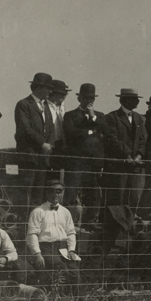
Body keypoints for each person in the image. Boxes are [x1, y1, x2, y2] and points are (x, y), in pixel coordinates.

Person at [101, 88, 148, 256]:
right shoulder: (112, 117)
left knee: (134, 198)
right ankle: (115, 239)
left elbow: (143, 139)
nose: (137, 102)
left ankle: (127, 234)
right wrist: (127, 154)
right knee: (118, 201)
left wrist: (139, 155)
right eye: (133, 99)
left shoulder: (139, 119)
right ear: (124, 101)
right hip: (119, 167)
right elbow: (112, 139)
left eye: (137, 99)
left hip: (135, 167)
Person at [25, 180, 81, 295]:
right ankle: (58, 299)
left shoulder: (66, 212)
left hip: (63, 249)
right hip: (46, 248)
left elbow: (70, 232)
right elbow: (32, 234)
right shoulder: (38, 212)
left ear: (63, 193)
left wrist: (71, 250)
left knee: (74, 271)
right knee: (61, 269)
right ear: (46, 193)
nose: (55, 195)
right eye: (52, 191)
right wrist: (37, 254)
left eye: (59, 191)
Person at [62, 83, 105, 224]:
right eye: (86, 98)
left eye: (91, 98)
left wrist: (92, 117)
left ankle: (91, 222)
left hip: (93, 163)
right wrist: (92, 131)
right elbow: (72, 133)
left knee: (93, 194)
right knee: (72, 193)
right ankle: (70, 223)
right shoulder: (70, 116)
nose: (89, 101)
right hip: (76, 162)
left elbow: (104, 132)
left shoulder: (99, 116)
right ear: (79, 98)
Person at [14, 72, 56, 212]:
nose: (50, 91)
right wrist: (42, 144)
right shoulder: (24, 104)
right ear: (38, 88)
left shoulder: (46, 107)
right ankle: (23, 224)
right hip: (29, 157)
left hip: (42, 159)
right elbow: (25, 128)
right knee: (26, 193)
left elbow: (51, 127)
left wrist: (49, 145)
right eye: (48, 88)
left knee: (38, 194)